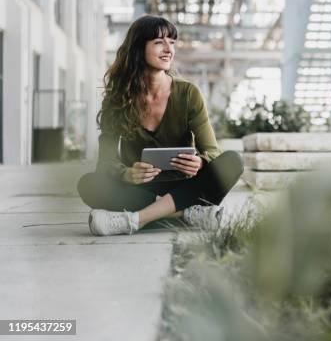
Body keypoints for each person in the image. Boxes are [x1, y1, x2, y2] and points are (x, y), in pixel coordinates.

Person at [77, 15, 243, 236]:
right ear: (138, 48)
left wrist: (200, 163)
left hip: (187, 187)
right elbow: (105, 161)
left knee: (233, 161)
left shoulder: (188, 93)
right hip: (141, 189)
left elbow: (212, 151)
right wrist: (127, 174)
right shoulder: (116, 99)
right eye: (158, 42)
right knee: (88, 183)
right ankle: (188, 215)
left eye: (172, 42)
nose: (168, 49)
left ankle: (136, 219)